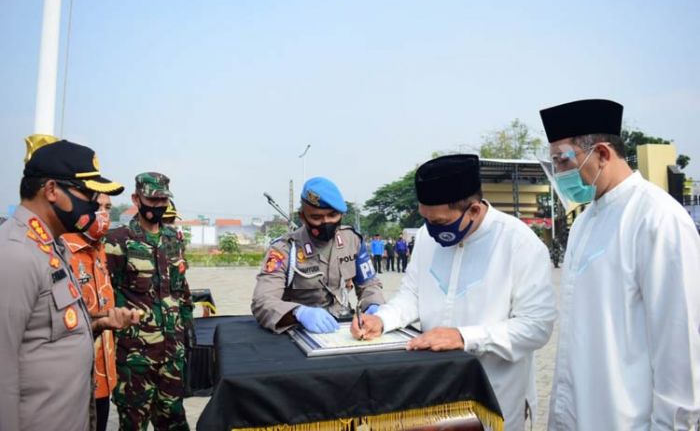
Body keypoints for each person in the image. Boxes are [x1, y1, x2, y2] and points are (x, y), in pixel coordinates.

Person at [352, 154, 557, 430]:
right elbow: (411, 294)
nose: (431, 230)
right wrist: (382, 320)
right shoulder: (427, 238)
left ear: (473, 210)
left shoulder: (519, 244)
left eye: (439, 222)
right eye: (425, 220)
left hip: (492, 395)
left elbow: (536, 327)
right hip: (431, 393)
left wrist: (464, 337)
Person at [540, 99, 700, 430]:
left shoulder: (658, 218)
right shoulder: (584, 222)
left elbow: (680, 343)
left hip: (628, 418)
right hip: (578, 411)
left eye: (562, 159)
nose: (559, 172)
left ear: (601, 153)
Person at [0, 138, 136, 431]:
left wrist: (97, 324)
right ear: (51, 190)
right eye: (87, 193)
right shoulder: (15, 254)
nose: (93, 205)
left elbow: (45, 329)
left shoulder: (52, 247)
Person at [105, 172, 194, 431]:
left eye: (162, 200)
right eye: (151, 200)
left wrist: (187, 327)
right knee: (133, 424)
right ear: (136, 198)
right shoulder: (116, 241)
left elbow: (182, 288)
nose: (157, 206)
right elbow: (107, 297)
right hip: (135, 358)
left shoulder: (174, 239)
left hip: (172, 353)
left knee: (175, 422)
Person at [252, 177, 385, 333]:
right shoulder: (284, 249)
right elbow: (263, 301)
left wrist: (374, 305)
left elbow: (369, 284)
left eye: (332, 215)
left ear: (341, 215)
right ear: (303, 217)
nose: (326, 222)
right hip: (300, 329)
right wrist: (299, 313)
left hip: (343, 325)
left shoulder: (352, 241)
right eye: (316, 217)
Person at [62, 193, 121, 431]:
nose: (104, 214)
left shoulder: (100, 249)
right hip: (73, 379)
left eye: (108, 207)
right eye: (98, 206)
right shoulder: (62, 250)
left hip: (103, 373)